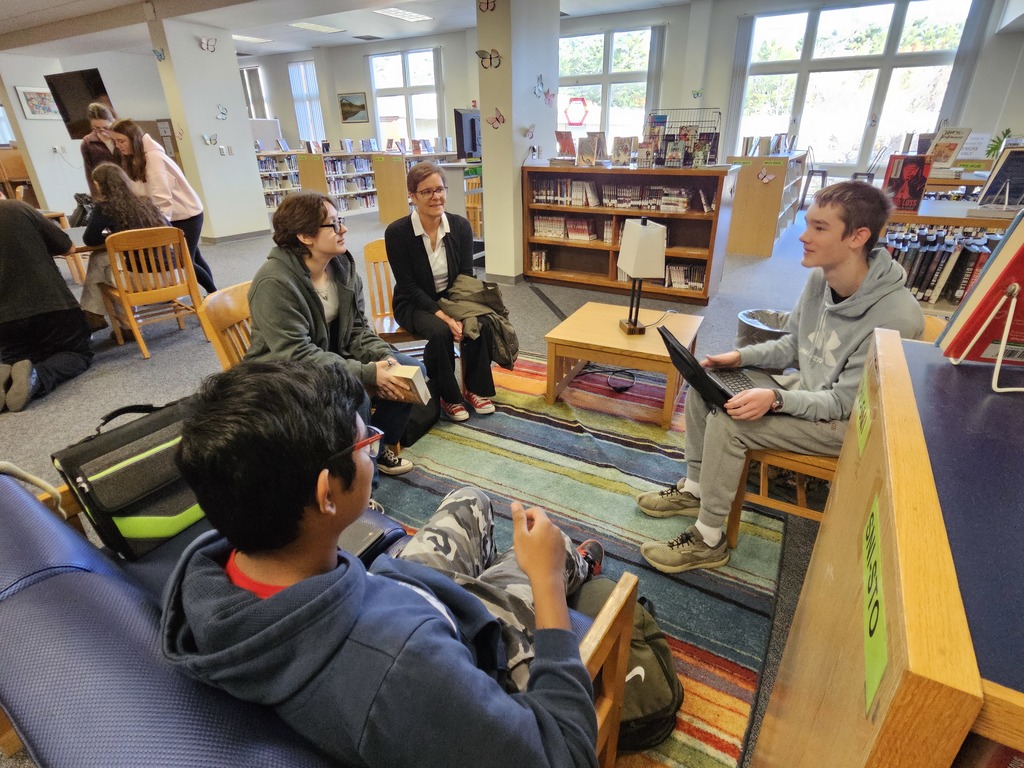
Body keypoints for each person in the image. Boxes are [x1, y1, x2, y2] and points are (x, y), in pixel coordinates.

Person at [161, 359, 603, 768]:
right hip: (434, 645)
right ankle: (570, 567)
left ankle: (531, 563)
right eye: (365, 443)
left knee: (472, 500)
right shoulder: (405, 673)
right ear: (326, 494)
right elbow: (565, 753)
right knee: (553, 549)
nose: (371, 449)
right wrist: (543, 579)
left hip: (393, 596)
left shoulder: (214, 568)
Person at [637, 181, 924, 573]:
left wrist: (774, 399)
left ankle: (709, 539)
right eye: (808, 223)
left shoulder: (896, 317)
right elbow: (793, 345)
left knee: (731, 421)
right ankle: (697, 488)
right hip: (806, 392)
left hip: (848, 425)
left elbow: (844, 404)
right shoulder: (822, 278)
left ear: (858, 237)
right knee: (708, 388)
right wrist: (739, 357)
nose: (803, 236)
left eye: (820, 228)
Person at [245, 190, 420, 477]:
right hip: (282, 374)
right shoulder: (274, 282)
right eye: (335, 223)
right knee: (356, 396)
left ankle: (377, 448)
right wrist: (367, 373)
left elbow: (358, 330)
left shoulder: (342, 268)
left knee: (409, 369)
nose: (344, 229)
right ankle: (361, 482)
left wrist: (385, 358)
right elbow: (295, 355)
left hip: (329, 357)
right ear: (305, 236)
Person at [385, 162, 498, 422]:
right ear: (412, 196)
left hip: (452, 297)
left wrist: (459, 310)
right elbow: (409, 286)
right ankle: (448, 395)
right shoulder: (397, 233)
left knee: (480, 321)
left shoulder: (460, 226)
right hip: (413, 303)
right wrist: (446, 317)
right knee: (439, 330)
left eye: (440, 189)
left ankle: (476, 389)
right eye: (426, 192)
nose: (436, 197)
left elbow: (466, 276)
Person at [0, 200, 93, 413]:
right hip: (51, 303)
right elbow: (67, 247)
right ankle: (38, 377)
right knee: (78, 353)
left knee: (17, 359)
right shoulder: (17, 208)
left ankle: (7, 380)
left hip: (5, 318)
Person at [108, 118, 217, 293]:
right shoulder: (136, 158)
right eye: (115, 141)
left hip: (187, 215)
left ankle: (215, 295)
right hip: (174, 216)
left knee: (184, 261)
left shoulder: (153, 158)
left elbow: (162, 199)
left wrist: (159, 230)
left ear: (133, 139)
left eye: (121, 141)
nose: (118, 145)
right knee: (193, 256)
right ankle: (214, 294)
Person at [78, 162, 170, 332]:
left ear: (101, 185)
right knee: (107, 263)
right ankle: (122, 326)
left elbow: (89, 239)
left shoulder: (105, 207)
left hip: (141, 280)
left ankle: (94, 315)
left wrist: (113, 237)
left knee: (100, 262)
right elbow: (169, 230)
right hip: (172, 275)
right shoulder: (146, 203)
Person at [79, 102, 117, 197]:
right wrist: (97, 199)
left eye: (106, 128)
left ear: (113, 121)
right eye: (97, 128)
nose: (102, 132)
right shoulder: (87, 143)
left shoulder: (122, 137)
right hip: (107, 192)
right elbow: (90, 175)